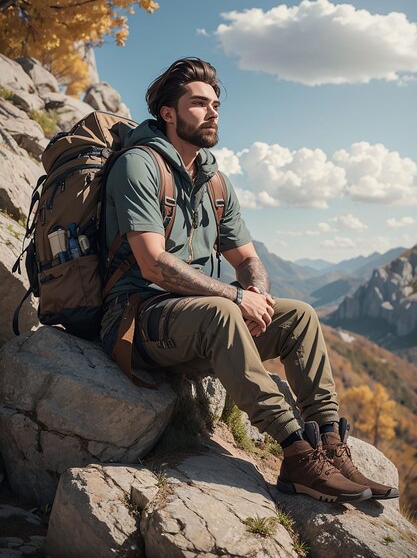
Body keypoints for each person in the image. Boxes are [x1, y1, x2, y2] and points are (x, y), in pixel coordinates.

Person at [101, 57, 398, 503]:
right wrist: (236, 298)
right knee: (222, 309)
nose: (213, 111)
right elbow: (152, 264)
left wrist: (255, 293)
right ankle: (297, 451)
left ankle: (332, 445)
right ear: (168, 112)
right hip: (137, 321)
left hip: (194, 323)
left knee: (298, 316)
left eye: (216, 103)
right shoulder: (139, 166)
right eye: (199, 103)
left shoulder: (214, 181)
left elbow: (248, 258)